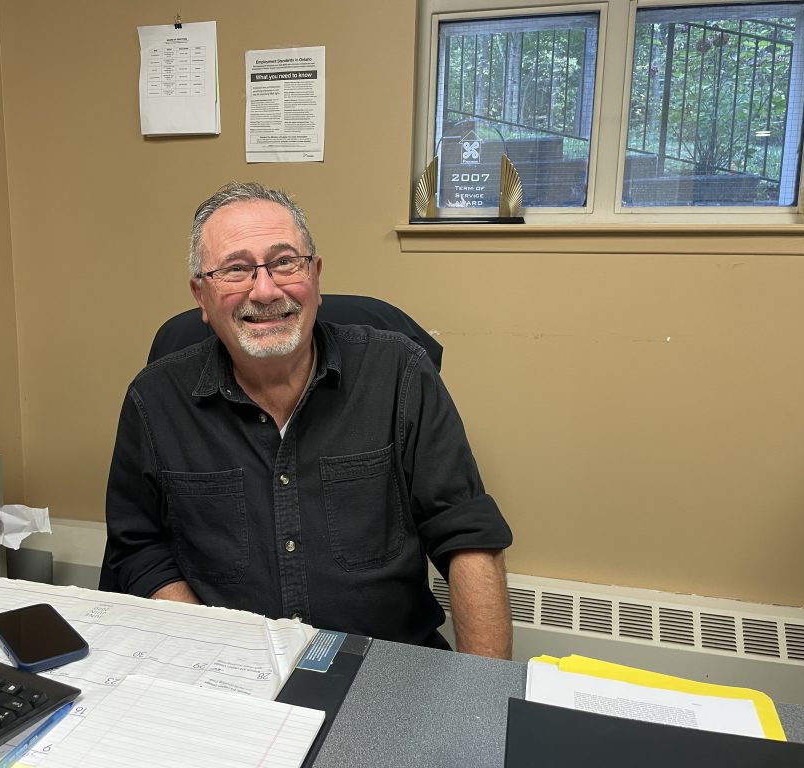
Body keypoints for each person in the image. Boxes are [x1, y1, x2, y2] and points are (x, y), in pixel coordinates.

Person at [105, 181, 513, 657]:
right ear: (201, 295)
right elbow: (139, 548)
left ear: (315, 274)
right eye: (235, 270)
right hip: (227, 667)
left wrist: (481, 697)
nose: (264, 290)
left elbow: (466, 534)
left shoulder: (399, 373)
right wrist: (213, 650)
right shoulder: (154, 401)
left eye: (284, 262)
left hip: (382, 664)